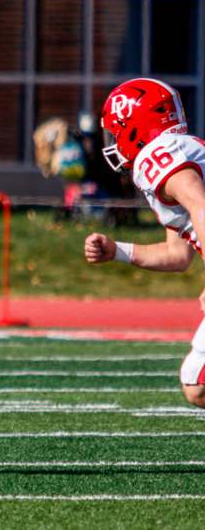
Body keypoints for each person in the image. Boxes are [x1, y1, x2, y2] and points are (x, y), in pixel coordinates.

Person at [83, 77, 205, 408]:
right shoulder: (176, 154)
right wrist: (116, 251)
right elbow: (177, 255)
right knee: (197, 385)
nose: (114, 141)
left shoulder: (158, 155)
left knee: (198, 381)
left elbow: (201, 205)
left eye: (116, 130)